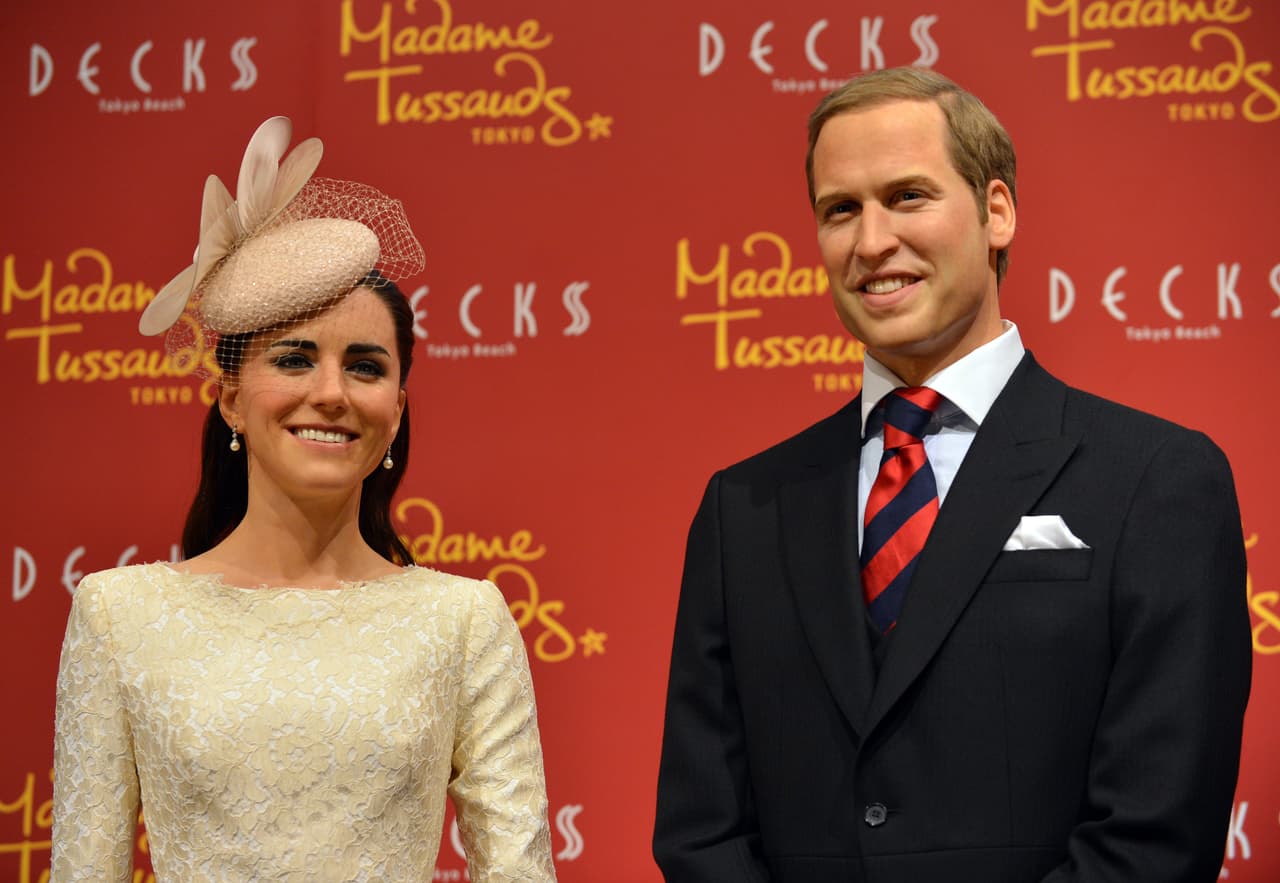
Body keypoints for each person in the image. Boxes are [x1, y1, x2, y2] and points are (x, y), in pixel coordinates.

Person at [654, 67, 1250, 883]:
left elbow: (1155, 838)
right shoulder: (744, 510)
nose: (870, 243)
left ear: (996, 211)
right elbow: (702, 834)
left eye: (907, 197)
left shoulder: (1158, 479)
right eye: (840, 210)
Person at [52, 117, 557, 882]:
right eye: (294, 359)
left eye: (364, 366)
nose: (330, 393)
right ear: (230, 398)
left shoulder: (463, 622)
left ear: (397, 402)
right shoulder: (119, 617)